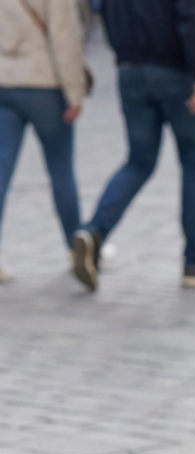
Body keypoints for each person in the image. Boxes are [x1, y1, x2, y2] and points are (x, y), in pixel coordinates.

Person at [70, 0, 195, 291]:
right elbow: (193, 14)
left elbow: (102, 10)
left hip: (130, 70)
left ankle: (94, 231)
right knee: (194, 164)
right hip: (176, 71)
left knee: (139, 161)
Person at [0, 0, 87, 281]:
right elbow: (64, 36)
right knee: (61, 169)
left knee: (1, 170)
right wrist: (75, 92)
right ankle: (77, 249)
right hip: (44, 83)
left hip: (4, 83)